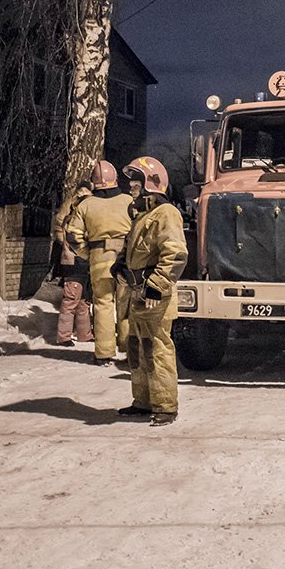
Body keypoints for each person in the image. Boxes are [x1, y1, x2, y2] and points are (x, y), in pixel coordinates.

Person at [113, 156, 188, 427]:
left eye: (136, 181)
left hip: (154, 295)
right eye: (131, 180)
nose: (131, 186)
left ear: (151, 183)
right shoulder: (143, 214)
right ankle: (143, 401)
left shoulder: (166, 213)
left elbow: (176, 254)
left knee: (157, 349)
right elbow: (135, 248)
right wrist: (120, 264)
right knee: (136, 347)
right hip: (137, 293)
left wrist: (157, 286)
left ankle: (166, 407)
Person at [66, 160, 133, 366]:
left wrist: (89, 253)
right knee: (126, 305)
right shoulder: (129, 201)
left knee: (103, 304)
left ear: (94, 183)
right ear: (115, 179)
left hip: (99, 258)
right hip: (126, 259)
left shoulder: (85, 205)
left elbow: (73, 236)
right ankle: (129, 349)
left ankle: (104, 353)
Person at [52, 181, 93, 347]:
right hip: (74, 263)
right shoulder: (73, 219)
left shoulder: (75, 215)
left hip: (81, 263)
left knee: (83, 300)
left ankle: (84, 334)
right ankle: (64, 337)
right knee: (71, 300)